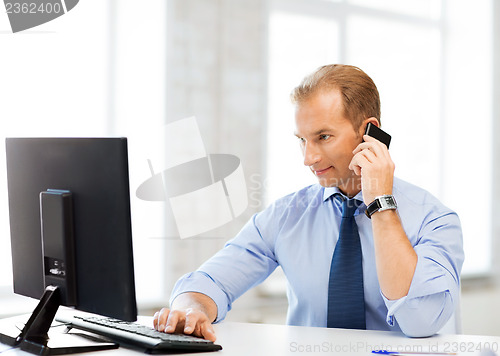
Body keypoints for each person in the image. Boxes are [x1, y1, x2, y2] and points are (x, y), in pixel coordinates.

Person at [153, 64, 464, 340]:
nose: (308, 158)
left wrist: (380, 202)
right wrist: (190, 309)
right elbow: (211, 281)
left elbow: (420, 321)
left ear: (370, 132)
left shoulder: (434, 219)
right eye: (301, 140)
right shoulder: (286, 216)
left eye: (323, 137)